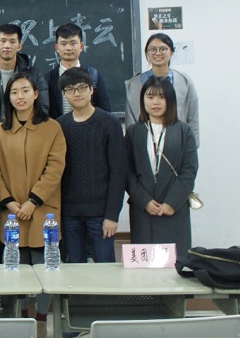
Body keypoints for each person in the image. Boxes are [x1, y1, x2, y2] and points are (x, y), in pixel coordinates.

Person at [0, 71, 65, 328]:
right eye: (14, 92)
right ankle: (21, 315)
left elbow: (55, 167)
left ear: (35, 94)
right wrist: (8, 200)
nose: (20, 96)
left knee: (46, 266)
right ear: (8, 98)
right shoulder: (0, 131)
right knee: (17, 266)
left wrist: (33, 201)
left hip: (43, 209)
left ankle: (42, 316)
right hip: (12, 211)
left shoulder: (52, 128)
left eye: (25, 91)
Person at [57, 67, 126, 264]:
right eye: (70, 89)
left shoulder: (110, 123)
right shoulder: (60, 125)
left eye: (81, 87)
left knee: (104, 268)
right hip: (70, 213)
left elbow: (118, 172)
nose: (76, 93)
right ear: (64, 94)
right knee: (74, 268)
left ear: (91, 89)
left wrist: (112, 215)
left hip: (101, 213)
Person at [125, 76, 198, 257]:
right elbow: (127, 171)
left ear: (170, 100)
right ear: (143, 100)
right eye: (150, 97)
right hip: (143, 210)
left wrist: (171, 202)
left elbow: (189, 171)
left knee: (174, 264)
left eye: (161, 97)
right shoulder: (134, 132)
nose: (155, 102)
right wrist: (144, 201)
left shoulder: (184, 131)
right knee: (145, 264)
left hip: (174, 209)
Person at [125, 33, 199, 147]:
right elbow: (131, 123)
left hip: (177, 145)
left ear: (172, 52)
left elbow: (193, 119)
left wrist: (191, 147)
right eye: (152, 49)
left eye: (163, 49)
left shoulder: (184, 82)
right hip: (144, 146)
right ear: (147, 53)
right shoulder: (133, 85)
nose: (158, 53)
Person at [0, 23, 49, 127]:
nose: (7, 46)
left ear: (19, 46)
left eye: (12, 42)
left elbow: (43, 107)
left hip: (27, 131)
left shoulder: (34, 75)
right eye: (3, 41)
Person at [47, 23, 112, 118]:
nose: (68, 48)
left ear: (81, 46)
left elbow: (105, 112)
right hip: (58, 127)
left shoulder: (93, 75)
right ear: (57, 48)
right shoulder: (48, 79)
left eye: (73, 43)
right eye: (63, 44)